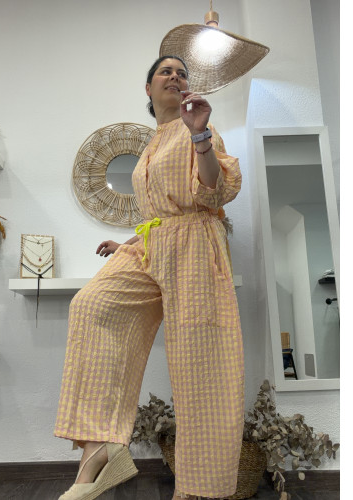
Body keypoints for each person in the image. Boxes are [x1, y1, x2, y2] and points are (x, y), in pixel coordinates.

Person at [55, 55, 244, 500]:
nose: (175, 76)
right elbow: (158, 214)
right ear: (149, 89)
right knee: (91, 305)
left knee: (201, 362)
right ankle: (102, 444)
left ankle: (200, 490)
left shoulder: (200, 129)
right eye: (166, 72)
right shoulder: (149, 147)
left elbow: (214, 193)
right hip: (152, 244)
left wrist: (200, 134)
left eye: (182, 73)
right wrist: (131, 244)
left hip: (195, 245)